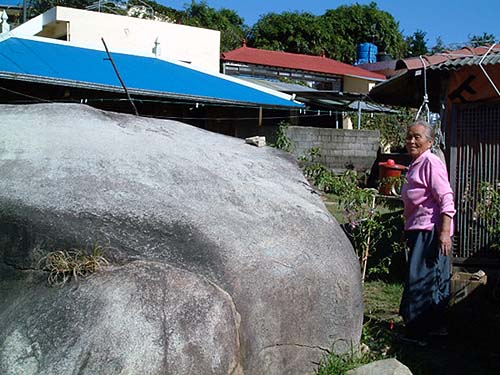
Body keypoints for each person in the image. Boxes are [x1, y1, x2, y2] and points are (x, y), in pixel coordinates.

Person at [399, 120, 456, 342]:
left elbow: (446, 197)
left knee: (422, 278)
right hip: (419, 228)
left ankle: (419, 331)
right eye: (409, 136)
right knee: (426, 277)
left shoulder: (431, 162)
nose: (411, 141)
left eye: (417, 137)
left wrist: (444, 232)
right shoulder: (417, 163)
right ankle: (431, 328)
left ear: (430, 142)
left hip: (430, 230)